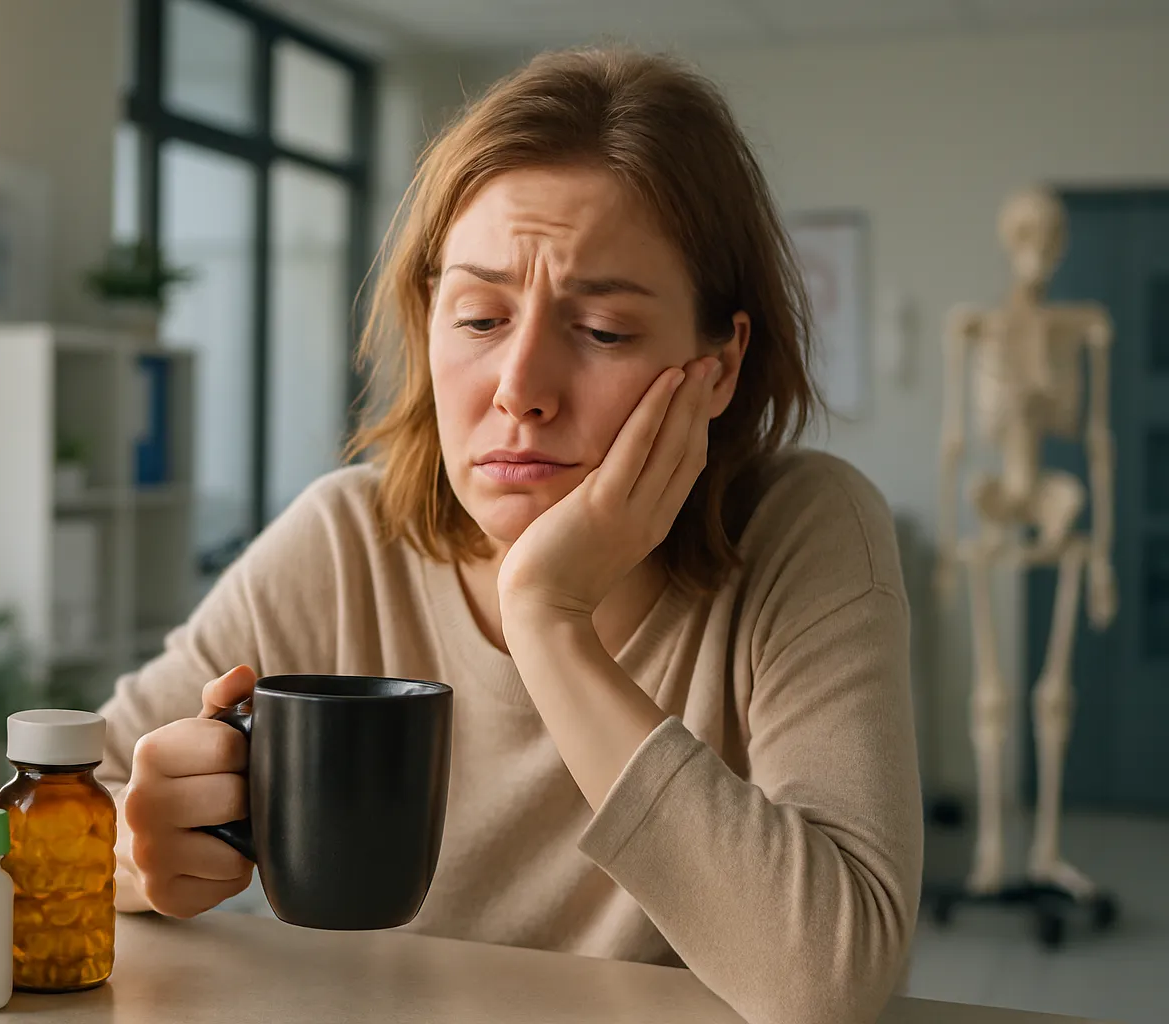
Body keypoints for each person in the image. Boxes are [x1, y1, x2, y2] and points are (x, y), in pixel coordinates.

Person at [97, 47, 922, 1024]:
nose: (519, 389)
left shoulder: (804, 533)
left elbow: (826, 982)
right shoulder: (345, 542)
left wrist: (550, 618)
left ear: (720, 364)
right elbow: (37, 820)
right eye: (480, 317)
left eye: (604, 331)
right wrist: (128, 854)